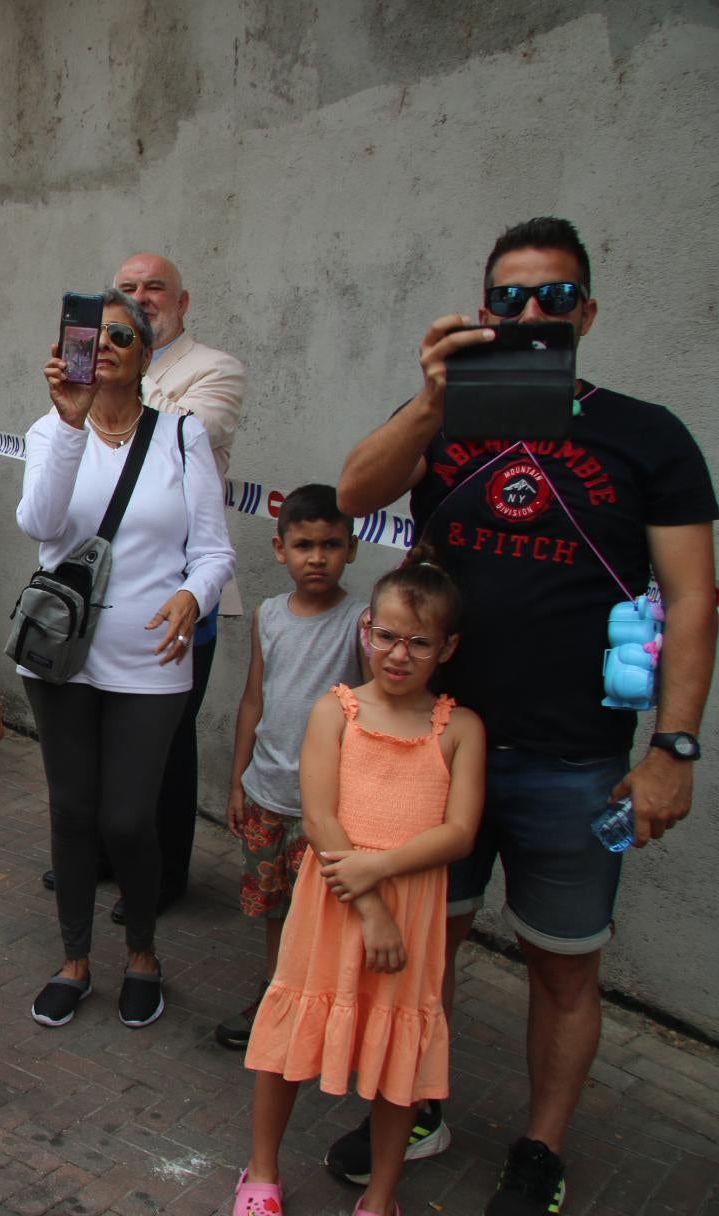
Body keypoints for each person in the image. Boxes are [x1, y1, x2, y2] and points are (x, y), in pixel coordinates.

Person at [332, 217, 718, 1215]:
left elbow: (691, 599)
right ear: (482, 309)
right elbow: (354, 490)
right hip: (435, 744)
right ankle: (417, 1100)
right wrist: (428, 400)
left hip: (575, 758)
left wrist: (673, 746)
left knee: (563, 967)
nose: (530, 315)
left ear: (586, 311)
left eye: (552, 298)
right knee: (423, 946)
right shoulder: (445, 418)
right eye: (508, 299)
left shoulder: (648, 435)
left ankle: (540, 1148)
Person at [238, 554, 486, 1216]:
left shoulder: (459, 729)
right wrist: (371, 905)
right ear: (366, 630)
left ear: (447, 647)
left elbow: (460, 831)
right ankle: (260, 1172)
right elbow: (320, 818)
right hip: (339, 904)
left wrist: (380, 870)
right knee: (290, 1031)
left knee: (398, 1056)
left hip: (409, 912)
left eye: (419, 642)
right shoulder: (336, 711)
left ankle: (381, 1194)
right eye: (387, 636)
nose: (398, 655)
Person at [16, 286, 235, 1031]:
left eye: (121, 336)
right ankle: (74, 960)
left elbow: (212, 552)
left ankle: (142, 952)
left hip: (150, 656)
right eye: (90, 335)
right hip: (61, 655)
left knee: (128, 816)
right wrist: (70, 423)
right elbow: (40, 525)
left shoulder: (181, 437)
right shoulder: (50, 431)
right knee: (73, 810)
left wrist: (194, 599)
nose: (103, 346)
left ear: (147, 355)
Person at [86, 253, 248, 920]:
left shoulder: (214, 368)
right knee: (98, 730)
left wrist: (112, 383)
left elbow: (187, 433)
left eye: (155, 288)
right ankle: (100, 855)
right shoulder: (95, 369)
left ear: (183, 302)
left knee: (168, 740)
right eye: (127, 289)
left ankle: (166, 872)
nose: (142, 297)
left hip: (182, 587)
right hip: (99, 585)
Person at [215, 484, 365, 1052]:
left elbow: (372, 709)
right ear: (281, 550)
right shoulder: (268, 615)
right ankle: (274, 999)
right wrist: (236, 781)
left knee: (325, 914)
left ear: (351, 549)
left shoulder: (362, 621)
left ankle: (325, 1013)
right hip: (266, 796)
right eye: (304, 545)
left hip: (325, 808)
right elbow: (254, 698)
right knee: (275, 908)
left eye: (331, 544)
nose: (317, 557)